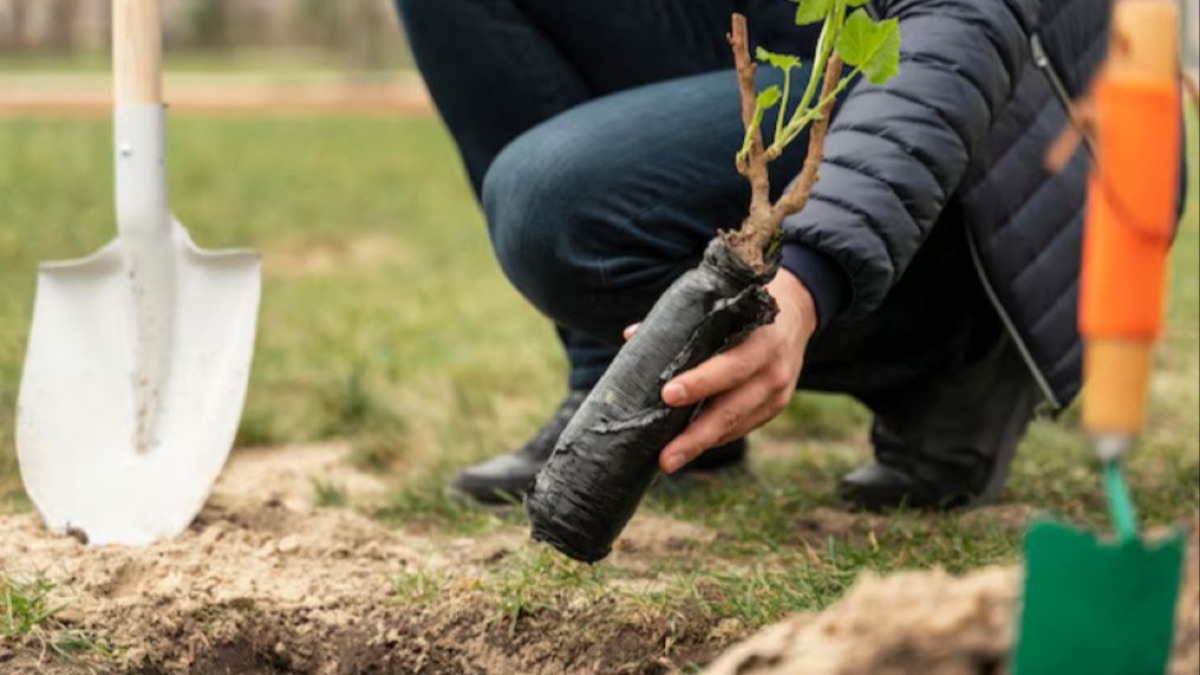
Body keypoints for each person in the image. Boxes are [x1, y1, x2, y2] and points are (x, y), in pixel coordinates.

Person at [392, 0, 1119, 510]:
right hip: (807, 46)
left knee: (549, 201)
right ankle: (627, 383)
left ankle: (958, 357)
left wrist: (805, 284)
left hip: (1010, 125)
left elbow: (956, 35)